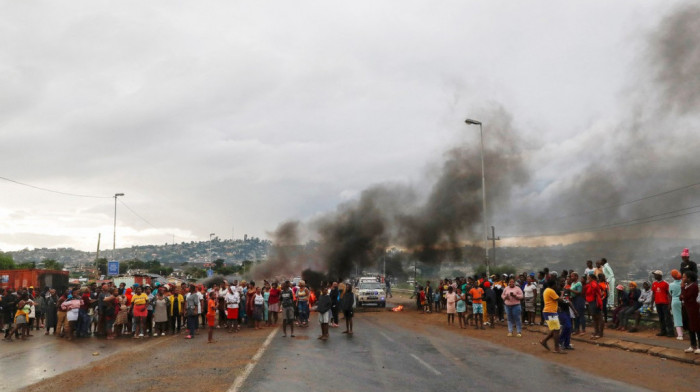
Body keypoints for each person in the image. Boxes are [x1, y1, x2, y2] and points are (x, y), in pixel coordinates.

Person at [539, 279, 565, 354]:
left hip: (549, 311)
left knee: (554, 329)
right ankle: (556, 348)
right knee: (556, 330)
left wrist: (556, 307)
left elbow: (551, 301)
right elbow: (559, 300)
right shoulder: (551, 291)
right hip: (550, 312)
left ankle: (544, 341)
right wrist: (562, 294)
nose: (556, 286)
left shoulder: (546, 290)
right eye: (556, 285)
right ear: (553, 285)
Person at [680, 271, 700, 354]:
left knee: (697, 327)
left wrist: (682, 288)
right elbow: (681, 297)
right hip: (687, 308)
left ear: (689, 278)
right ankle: (693, 345)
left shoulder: (694, 286)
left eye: (684, 277)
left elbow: (686, 296)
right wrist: (683, 295)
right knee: (689, 327)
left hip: (693, 309)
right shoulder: (686, 286)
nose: (683, 279)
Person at [651, 270, 675, 337]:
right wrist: (651, 304)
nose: (654, 276)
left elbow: (669, 295)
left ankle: (671, 332)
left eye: (656, 275)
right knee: (661, 318)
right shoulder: (654, 283)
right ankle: (663, 331)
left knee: (667, 318)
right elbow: (653, 294)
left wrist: (669, 305)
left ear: (660, 275)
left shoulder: (666, 283)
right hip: (658, 303)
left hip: (665, 303)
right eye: (654, 275)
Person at [586, 274, 604, 339]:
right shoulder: (592, 284)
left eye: (589, 278)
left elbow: (598, 289)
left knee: (598, 317)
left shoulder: (593, 284)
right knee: (594, 317)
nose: (588, 279)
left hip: (595, 302)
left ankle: (600, 333)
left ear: (591, 278)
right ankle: (596, 331)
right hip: (592, 302)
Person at [670, 269, 684, 340]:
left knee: (677, 317)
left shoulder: (671, 285)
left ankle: (680, 335)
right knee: (687, 316)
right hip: (684, 301)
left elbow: (670, 294)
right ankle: (695, 335)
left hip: (675, 301)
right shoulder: (684, 283)